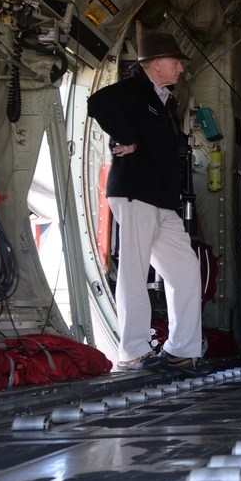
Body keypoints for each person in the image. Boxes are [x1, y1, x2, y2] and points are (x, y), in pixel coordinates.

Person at [87, 32, 201, 373]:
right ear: (155, 64)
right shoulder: (134, 88)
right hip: (135, 193)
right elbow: (98, 103)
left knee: (186, 270)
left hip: (163, 200)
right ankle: (133, 350)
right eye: (176, 61)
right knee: (134, 272)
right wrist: (128, 138)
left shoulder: (164, 101)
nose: (181, 68)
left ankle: (181, 348)